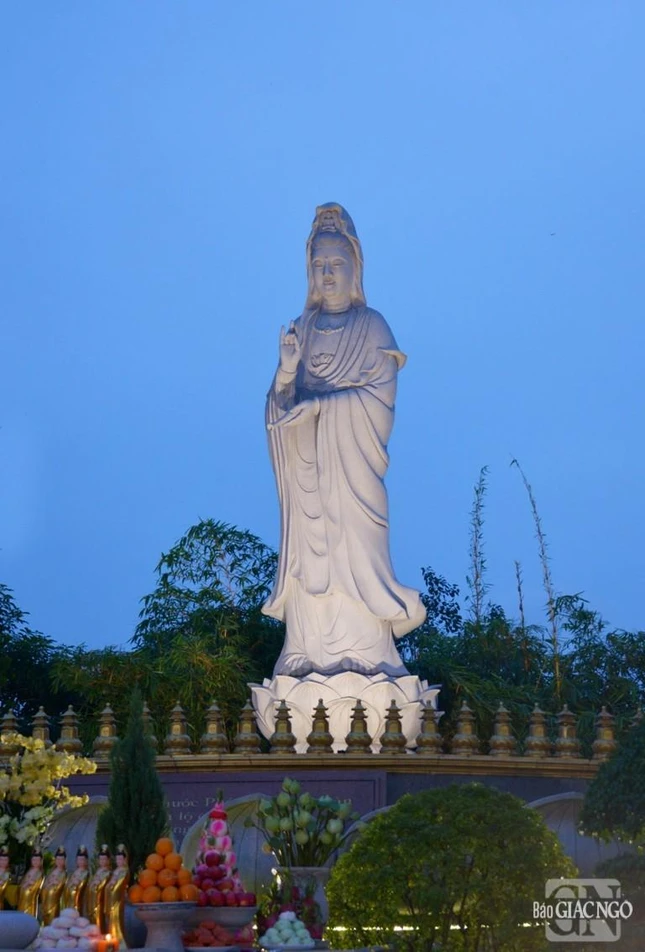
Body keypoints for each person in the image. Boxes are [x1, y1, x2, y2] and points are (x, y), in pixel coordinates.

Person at [263, 203, 426, 678]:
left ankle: (367, 651)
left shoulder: (372, 325)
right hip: (307, 472)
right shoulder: (302, 329)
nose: (328, 274)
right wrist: (287, 371)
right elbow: (277, 408)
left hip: (353, 473)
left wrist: (321, 408)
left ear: (355, 268)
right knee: (310, 560)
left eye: (337, 263)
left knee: (353, 552)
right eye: (319, 265)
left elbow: (379, 400)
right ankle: (304, 647)